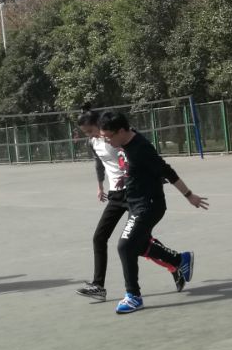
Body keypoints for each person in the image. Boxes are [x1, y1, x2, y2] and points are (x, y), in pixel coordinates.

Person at [97, 111, 208, 314]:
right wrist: (126, 177)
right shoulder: (125, 140)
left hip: (148, 205)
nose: (107, 141)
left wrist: (189, 195)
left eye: (108, 137)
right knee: (138, 245)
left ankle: (133, 296)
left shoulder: (141, 148)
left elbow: (167, 171)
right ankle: (179, 260)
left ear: (121, 131)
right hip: (134, 203)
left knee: (125, 246)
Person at [74, 107, 186, 302]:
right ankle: (98, 285)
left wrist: (151, 179)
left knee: (139, 242)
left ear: (99, 125)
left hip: (134, 192)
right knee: (100, 237)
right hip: (116, 195)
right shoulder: (95, 142)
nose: (91, 135)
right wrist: (100, 185)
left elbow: (139, 156)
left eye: (91, 130)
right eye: (86, 133)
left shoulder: (115, 137)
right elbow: (100, 163)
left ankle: (175, 263)